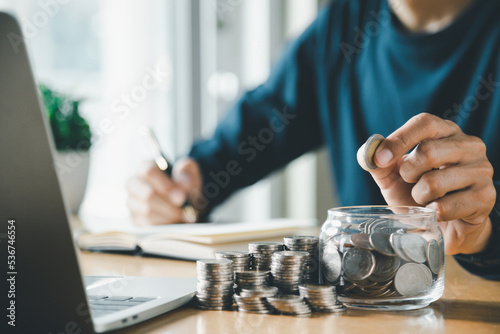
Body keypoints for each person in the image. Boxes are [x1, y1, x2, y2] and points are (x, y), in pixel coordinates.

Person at [126, 0, 500, 279]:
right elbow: (257, 127)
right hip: (361, 314)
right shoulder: (343, 26)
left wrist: (483, 233)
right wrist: (183, 190)